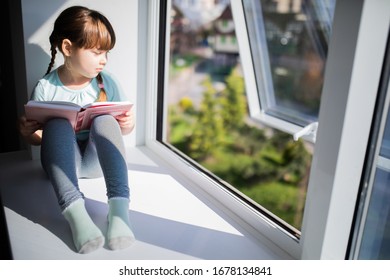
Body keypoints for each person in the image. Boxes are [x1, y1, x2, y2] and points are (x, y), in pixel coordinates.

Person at [18, 6, 135, 254]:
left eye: (106, 53)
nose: (103, 59)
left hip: (95, 165)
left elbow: (118, 133)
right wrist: (29, 133)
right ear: (68, 48)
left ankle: (119, 211)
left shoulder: (106, 82)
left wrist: (127, 124)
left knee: (105, 119)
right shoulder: (45, 88)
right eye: (96, 52)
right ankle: (76, 215)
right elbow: (40, 140)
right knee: (57, 124)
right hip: (62, 168)